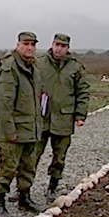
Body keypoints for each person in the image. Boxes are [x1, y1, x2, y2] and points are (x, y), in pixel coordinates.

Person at [0, 31, 44, 217]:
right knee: (8, 166)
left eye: (32, 44)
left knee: (28, 166)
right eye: (26, 44)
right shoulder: (9, 68)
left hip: (31, 127)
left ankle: (24, 196)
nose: (29, 47)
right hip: (14, 130)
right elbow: (4, 105)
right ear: (18, 45)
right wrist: (9, 132)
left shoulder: (33, 69)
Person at [35, 33, 90, 200]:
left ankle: (53, 186)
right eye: (57, 45)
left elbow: (83, 92)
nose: (59, 48)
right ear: (52, 44)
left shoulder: (75, 67)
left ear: (67, 48)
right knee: (32, 156)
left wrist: (80, 115)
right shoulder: (39, 63)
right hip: (42, 117)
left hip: (64, 119)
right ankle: (23, 188)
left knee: (59, 157)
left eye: (63, 46)